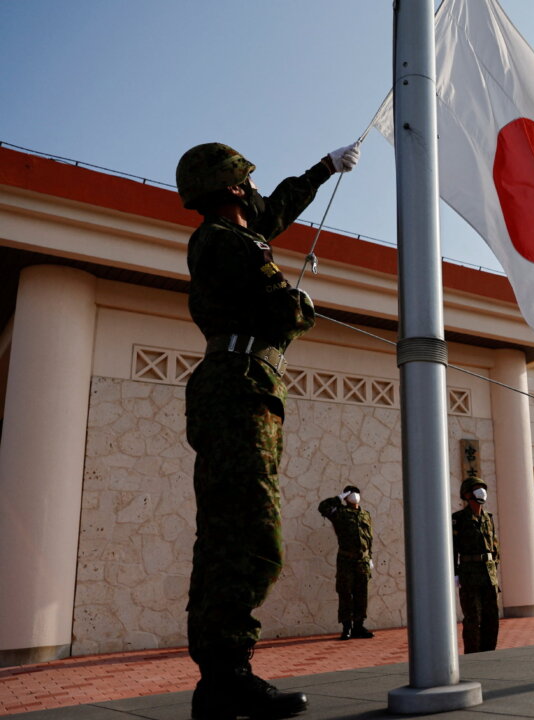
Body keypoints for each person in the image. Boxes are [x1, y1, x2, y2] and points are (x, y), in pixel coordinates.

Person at [177, 139, 360, 720]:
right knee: (254, 537)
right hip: (240, 388)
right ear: (232, 188)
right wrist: (300, 303)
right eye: (246, 181)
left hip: (237, 386)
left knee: (227, 532)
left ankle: (219, 678)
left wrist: (323, 171)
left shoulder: (228, 235)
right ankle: (228, 673)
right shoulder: (229, 244)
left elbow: (274, 209)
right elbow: (286, 312)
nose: (255, 189)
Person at [318, 485, 375, 640]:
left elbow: (368, 538)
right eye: (351, 493)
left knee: (361, 594)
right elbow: (323, 507)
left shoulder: (365, 515)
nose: (354, 496)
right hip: (346, 560)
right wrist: (339, 498)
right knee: (345, 594)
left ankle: (359, 626)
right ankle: (347, 627)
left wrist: (370, 557)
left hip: (362, 561)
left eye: (356, 492)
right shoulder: (339, 513)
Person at [451, 476, 501, 653]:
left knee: (491, 617)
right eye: (476, 488)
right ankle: (473, 654)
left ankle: (489, 651)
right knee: (473, 617)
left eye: (482, 487)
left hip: (488, 574)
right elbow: (453, 549)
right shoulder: (458, 519)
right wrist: (455, 573)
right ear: (466, 494)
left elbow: (494, 547)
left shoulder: (488, 518)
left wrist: (495, 568)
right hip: (469, 574)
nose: (482, 491)